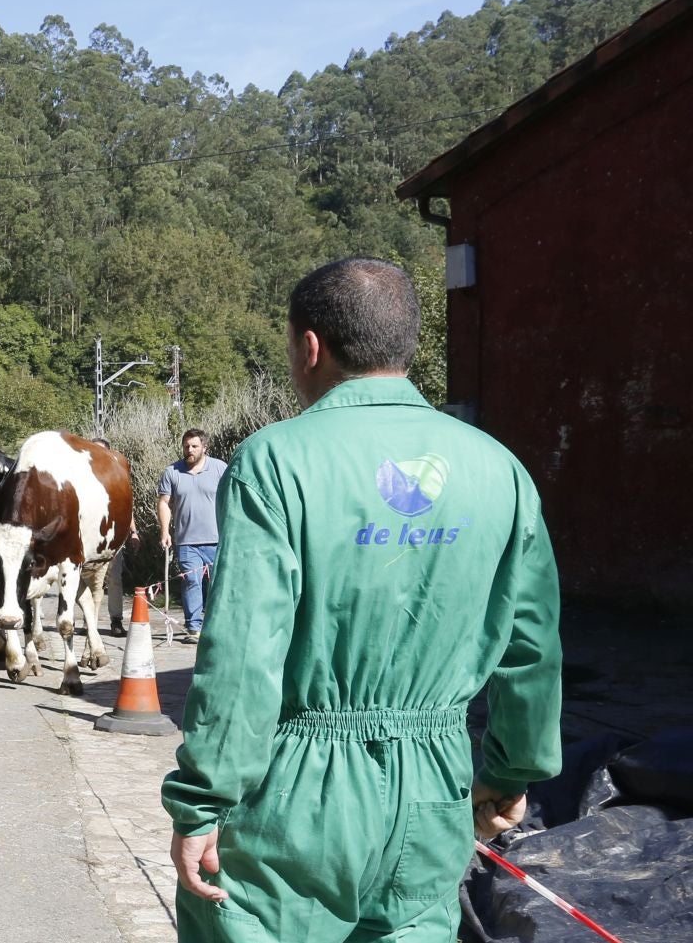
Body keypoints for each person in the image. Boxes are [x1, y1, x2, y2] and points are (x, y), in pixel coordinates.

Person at [162, 257, 562, 942]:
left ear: (310, 346)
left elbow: (244, 651)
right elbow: (532, 649)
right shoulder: (501, 469)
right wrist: (509, 771)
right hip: (435, 791)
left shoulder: (275, 459)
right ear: (408, 344)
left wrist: (203, 802)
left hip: (296, 798)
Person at [159, 428, 227, 644]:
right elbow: (164, 502)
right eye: (187, 446)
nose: (190, 450)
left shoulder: (219, 469)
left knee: (217, 585)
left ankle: (217, 626)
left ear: (204, 447)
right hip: (187, 541)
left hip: (217, 540)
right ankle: (194, 628)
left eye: (194, 446)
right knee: (191, 582)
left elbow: (231, 498)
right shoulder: (172, 471)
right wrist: (164, 532)